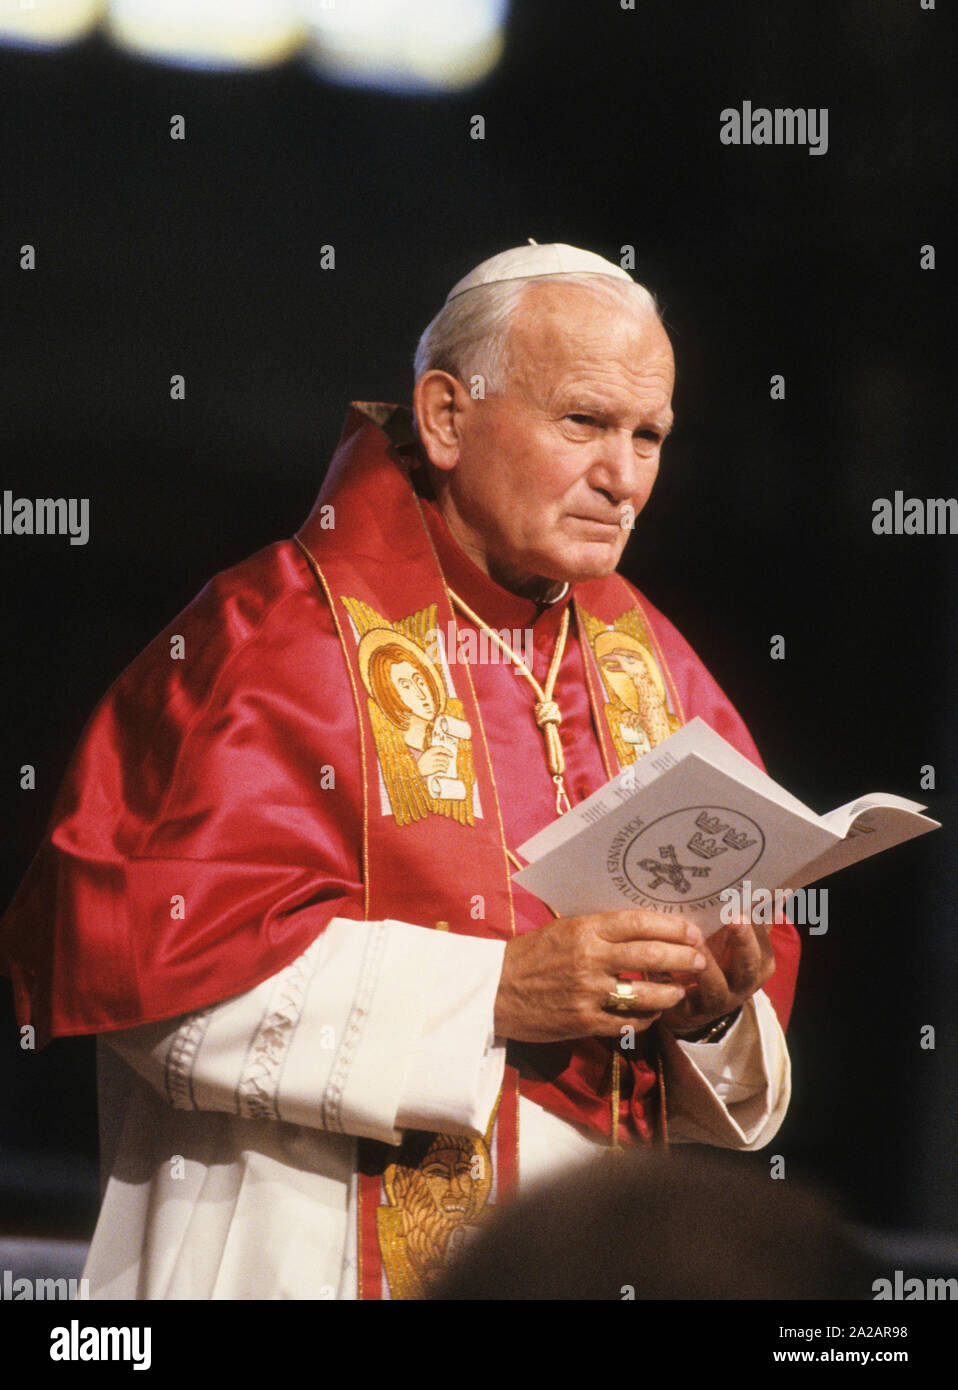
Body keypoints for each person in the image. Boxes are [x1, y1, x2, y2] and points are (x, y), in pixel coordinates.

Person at [0, 243, 800, 1300]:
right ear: (445, 416)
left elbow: (727, 1075)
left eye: (647, 436)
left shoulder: (657, 672)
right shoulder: (269, 641)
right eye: (583, 423)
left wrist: (708, 1010)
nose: (624, 478)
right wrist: (494, 992)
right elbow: (147, 987)